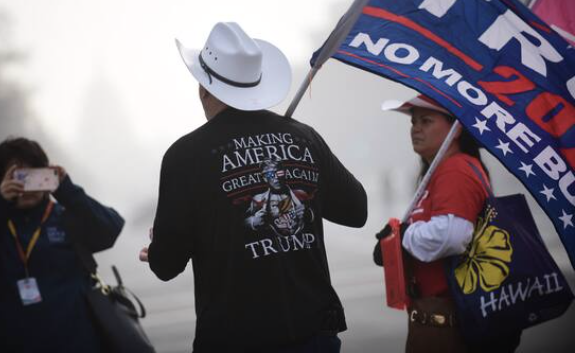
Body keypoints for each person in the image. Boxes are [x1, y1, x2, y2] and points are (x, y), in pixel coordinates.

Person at [138, 22, 367, 353]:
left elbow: (166, 265)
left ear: (203, 88)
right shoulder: (304, 137)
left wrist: (159, 247)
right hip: (314, 332)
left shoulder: (186, 155)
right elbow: (356, 210)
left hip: (235, 338)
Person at [373, 95, 521, 353]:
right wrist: (393, 245)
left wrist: (402, 236)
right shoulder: (440, 172)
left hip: (449, 325)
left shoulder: (456, 169)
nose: (416, 128)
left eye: (426, 121)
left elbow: (452, 236)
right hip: (433, 321)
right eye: (414, 122)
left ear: (456, 129)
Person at [0, 137, 125, 353]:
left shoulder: (65, 218)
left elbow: (111, 228)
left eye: (34, 176)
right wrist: (0, 204)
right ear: (0, 182)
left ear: (46, 176)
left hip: (77, 343)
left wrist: (67, 190)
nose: (26, 187)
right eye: (18, 177)